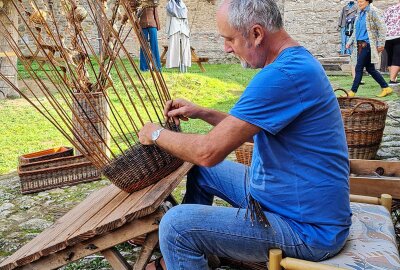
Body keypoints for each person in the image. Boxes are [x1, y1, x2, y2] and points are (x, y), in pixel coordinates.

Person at [139, 0, 351, 269]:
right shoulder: (295, 62)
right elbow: (251, 128)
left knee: (176, 226)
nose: (226, 48)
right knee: (202, 173)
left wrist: (155, 133)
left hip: (307, 229)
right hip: (281, 197)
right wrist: (204, 112)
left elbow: (207, 153)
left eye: (229, 39)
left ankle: (183, 245)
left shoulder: (282, 75)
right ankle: (191, 254)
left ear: (257, 33)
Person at [345, 0, 392, 97]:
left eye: (361, 1)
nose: (359, 3)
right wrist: (349, 42)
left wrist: (381, 44)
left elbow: (382, 28)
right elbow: (356, 31)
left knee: (359, 67)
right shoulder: (360, 13)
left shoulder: (373, 11)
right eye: (358, 1)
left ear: (368, 1)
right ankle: (386, 88)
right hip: (360, 45)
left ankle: (352, 92)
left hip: (368, 45)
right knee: (370, 69)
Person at [165, 0, 191, 72]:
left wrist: (188, 30)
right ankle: (176, 65)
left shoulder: (183, 5)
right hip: (174, 28)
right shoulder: (170, 5)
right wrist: (167, 31)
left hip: (184, 29)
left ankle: (184, 65)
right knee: (174, 47)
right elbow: (168, 19)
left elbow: (186, 19)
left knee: (185, 48)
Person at [138, 1, 162, 71]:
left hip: (152, 25)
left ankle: (157, 67)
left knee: (154, 45)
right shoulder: (139, 3)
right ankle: (144, 67)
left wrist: (158, 26)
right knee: (143, 46)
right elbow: (137, 16)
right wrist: (140, 8)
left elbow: (156, 15)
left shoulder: (152, 3)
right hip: (142, 25)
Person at [384, 0, 400, 86]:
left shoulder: (390, 8)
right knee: (397, 58)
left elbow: (383, 22)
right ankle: (392, 80)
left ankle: (393, 78)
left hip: (387, 37)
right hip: (398, 36)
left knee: (390, 58)